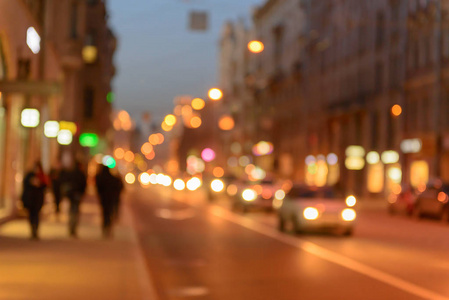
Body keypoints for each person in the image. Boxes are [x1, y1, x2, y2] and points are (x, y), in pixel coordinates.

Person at [21, 162, 48, 240]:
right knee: (31, 215)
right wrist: (31, 182)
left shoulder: (42, 176)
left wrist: (39, 184)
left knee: (36, 215)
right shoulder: (30, 175)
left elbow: (45, 186)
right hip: (30, 200)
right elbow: (25, 184)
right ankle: (32, 230)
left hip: (38, 200)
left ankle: (35, 230)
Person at [61, 161, 87, 238]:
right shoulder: (81, 174)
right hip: (77, 195)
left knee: (72, 211)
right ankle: (73, 228)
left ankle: (71, 228)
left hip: (72, 195)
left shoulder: (71, 173)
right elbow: (84, 185)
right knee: (75, 212)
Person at [95, 165, 123, 238]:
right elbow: (119, 187)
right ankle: (108, 228)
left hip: (104, 199)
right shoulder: (113, 179)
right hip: (111, 199)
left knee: (105, 214)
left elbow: (98, 188)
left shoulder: (101, 178)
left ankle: (105, 227)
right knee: (110, 213)